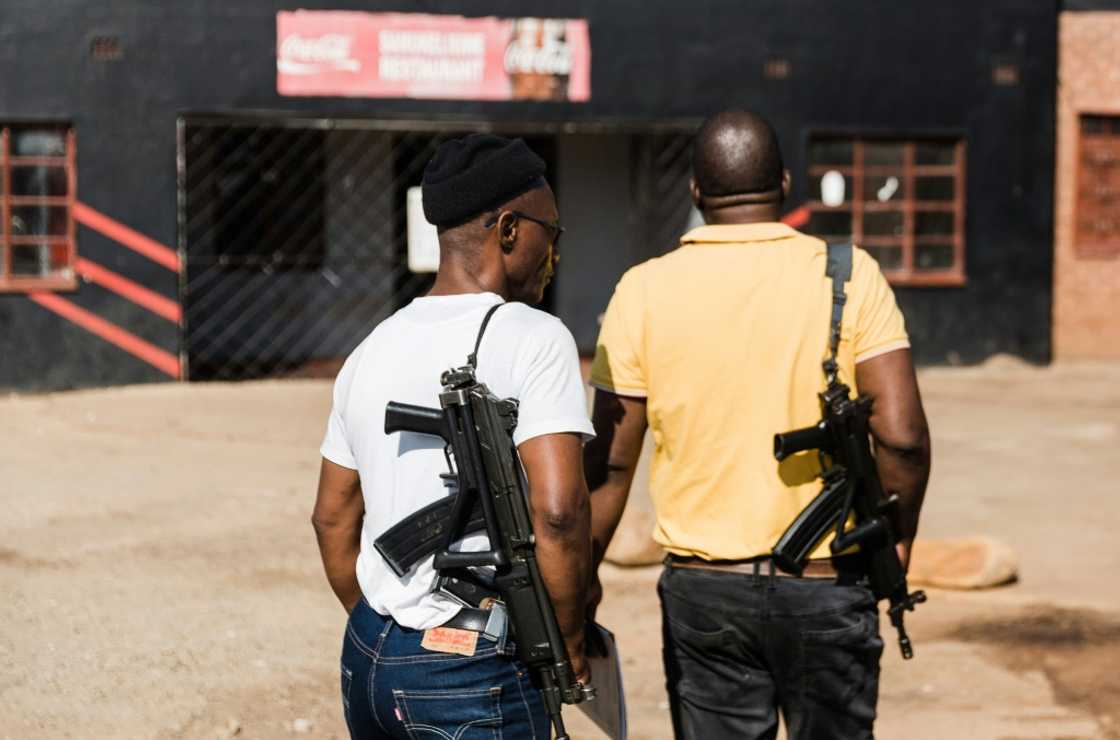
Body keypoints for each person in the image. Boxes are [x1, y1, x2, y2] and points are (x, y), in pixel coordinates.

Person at [584, 111, 931, 739]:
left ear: (696, 192)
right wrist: (896, 539)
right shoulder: (849, 275)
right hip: (829, 582)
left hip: (705, 590)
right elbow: (902, 438)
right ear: (786, 183)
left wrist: (578, 581)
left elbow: (609, 463)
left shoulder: (642, 289)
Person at [311, 134, 594, 740]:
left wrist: (391, 630)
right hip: (471, 672)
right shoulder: (536, 338)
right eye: (552, 231)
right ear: (510, 230)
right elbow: (560, 513)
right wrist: (568, 640)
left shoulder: (371, 348)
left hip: (369, 656)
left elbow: (331, 519)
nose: (554, 252)